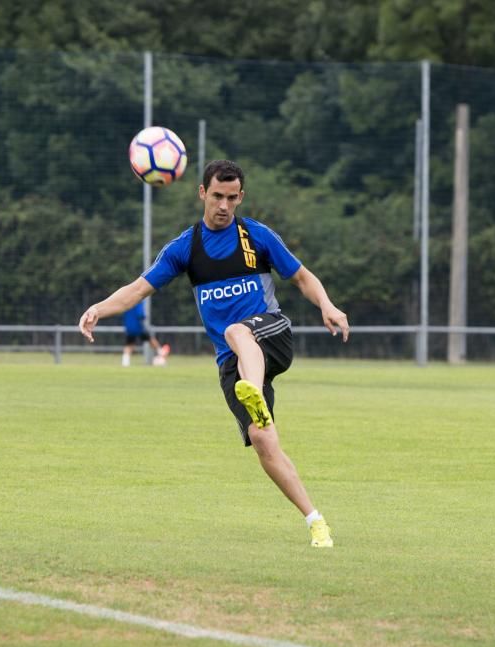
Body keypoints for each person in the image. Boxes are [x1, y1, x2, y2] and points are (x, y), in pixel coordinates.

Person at [79, 160, 349, 548]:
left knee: (238, 330)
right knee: (263, 441)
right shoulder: (184, 249)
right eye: (218, 196)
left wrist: (327, 304)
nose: (224, 205)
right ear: (203, 193)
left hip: (270, 335)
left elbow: (303, 277)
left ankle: (252, 389)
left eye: (232, 197)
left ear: (241, 197)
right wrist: (99, 308)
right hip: (231, 363)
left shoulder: (256, 237)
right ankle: (316, 521)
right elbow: (138, 289)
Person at [120, 300, 169, 367]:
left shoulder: (127, 301)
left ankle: (125, 362)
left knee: (129, 344)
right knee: (150, 338)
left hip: (129, 326)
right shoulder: (138, 301)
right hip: (138, 326)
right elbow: (140, 314)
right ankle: (161, 352)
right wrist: (143, 317)